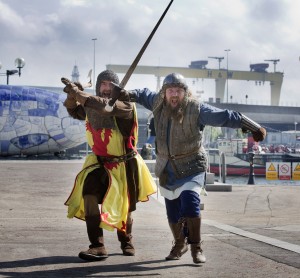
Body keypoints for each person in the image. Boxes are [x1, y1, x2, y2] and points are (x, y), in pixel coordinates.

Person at [119, 73, 266, 264]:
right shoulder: (156, 102)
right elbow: (141, 93)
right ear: (164, 92)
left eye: (178, 91)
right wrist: (124, 93)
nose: (174, 95)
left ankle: (196, 247)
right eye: (170, 90)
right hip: (167, 167)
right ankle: (180, 244)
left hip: (192, 165)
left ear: (185, 93)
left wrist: (254, 127)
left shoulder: (197, 109)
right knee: (172, 211)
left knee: (190, 201)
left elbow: (225, 116)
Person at [62, 70, 157, 261]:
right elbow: (74, 111)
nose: (106, 88)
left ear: (117, 87)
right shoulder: (91, 105)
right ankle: (97, 246)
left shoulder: (125, 106)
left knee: (126, 208)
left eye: (110, 84)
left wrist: (79, 93)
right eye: (103, 84)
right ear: (98, 86)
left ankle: (126, 240)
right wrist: (72, 96)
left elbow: (105, 106)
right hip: (99, 163)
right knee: (88, 194)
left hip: (124, 164)